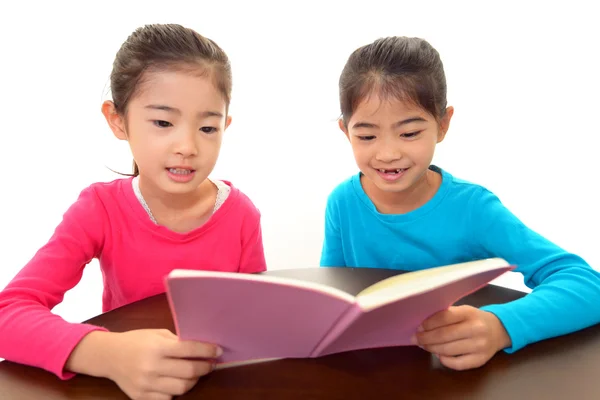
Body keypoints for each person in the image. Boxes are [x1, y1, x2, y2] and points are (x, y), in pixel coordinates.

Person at [0, 23, 266, 399]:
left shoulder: (241, 214)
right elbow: (7, 314)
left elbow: (255, 322)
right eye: (162, 122)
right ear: (118, 120)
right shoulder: (100, 210)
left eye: (208, 127)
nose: (187, 146)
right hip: (129, 388)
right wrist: (107, 355)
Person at [320, 36, 600, 371]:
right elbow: (331, 294)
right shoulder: (342, 202)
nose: (388, 153)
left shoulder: (473, 209)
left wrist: (499, 327)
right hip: (369, 374)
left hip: (452, 376)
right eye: (366, 136)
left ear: (442, 124)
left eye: (409, 133)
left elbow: (585, 283)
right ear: (345, 130)